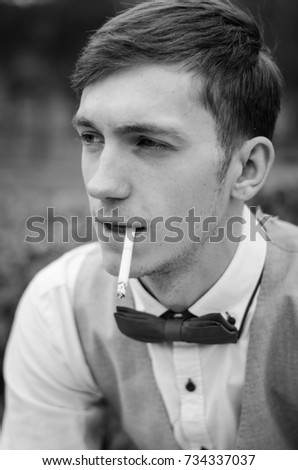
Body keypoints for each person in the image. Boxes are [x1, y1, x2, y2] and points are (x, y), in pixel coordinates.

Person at [1, 0, 298, 450]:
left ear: (247, 169)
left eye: (149, 142)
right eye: (91, 138)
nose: (102, 184)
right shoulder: (57, 307)